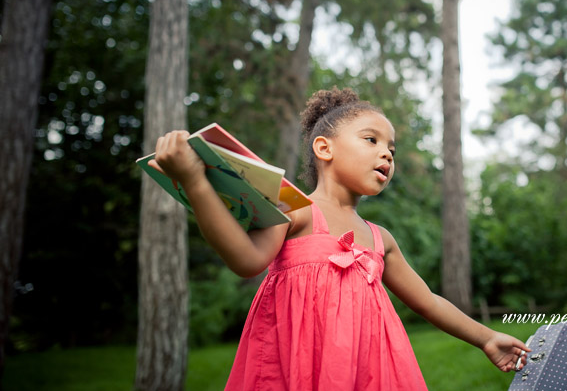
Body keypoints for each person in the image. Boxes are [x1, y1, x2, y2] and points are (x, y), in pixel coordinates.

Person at [148, 86, 530, 390]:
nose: (386, 154)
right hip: (298, 365)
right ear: (324, 148)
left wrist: (485, 337)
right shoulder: (293, 209)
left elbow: (428, 301)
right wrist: (196, 182)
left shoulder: (382, 239)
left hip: (369, 371)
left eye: (391, 149)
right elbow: (245, 260)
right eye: (371, 140)